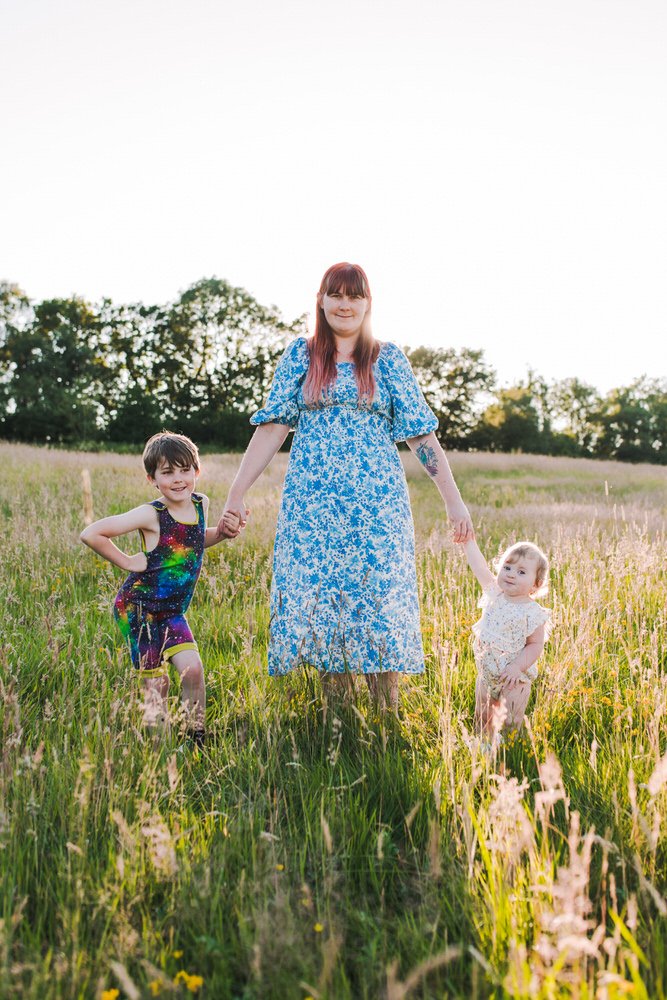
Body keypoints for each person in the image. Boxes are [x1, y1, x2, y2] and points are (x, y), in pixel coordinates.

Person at [219, 262, 473, 712]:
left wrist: (454, 503)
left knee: (377, 594)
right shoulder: (301, 355)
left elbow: (421, 435)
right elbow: (273, 427)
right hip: (313, 503)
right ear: (320, 301)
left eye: (354, 296)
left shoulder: (386, 358)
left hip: (377, 504)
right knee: (323, 596)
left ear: (367, 304)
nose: (344, 304)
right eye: (335, 294)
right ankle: (337, 717)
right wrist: (237, 492)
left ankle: (385, 712)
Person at [81, 432, 239, 745]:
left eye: (185, 470)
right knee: (157, 682)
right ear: (152, 478)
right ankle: (159, 744)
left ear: (197, 471)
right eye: (167, 473)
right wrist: (128, 561)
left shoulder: (200, 503)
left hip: (172, 610)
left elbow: (192, 541)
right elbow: (92, 533)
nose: (178, 480)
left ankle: (196, 736)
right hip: (139, 608)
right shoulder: (151, 514)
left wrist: (221, 534)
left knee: (192, 669)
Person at [459, 538, 551, 739]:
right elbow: (479, 566)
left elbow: (535, 645)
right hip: (487, 673)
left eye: (521, 572)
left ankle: (508, 750)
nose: (511, 575)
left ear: (535, 585)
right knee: (482, 716)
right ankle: (483, 749)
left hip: (514, 678)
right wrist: (468, 543)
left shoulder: (533, 612)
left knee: (510, 720)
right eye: (507, 567)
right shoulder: (495, 594)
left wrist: (517, 667)